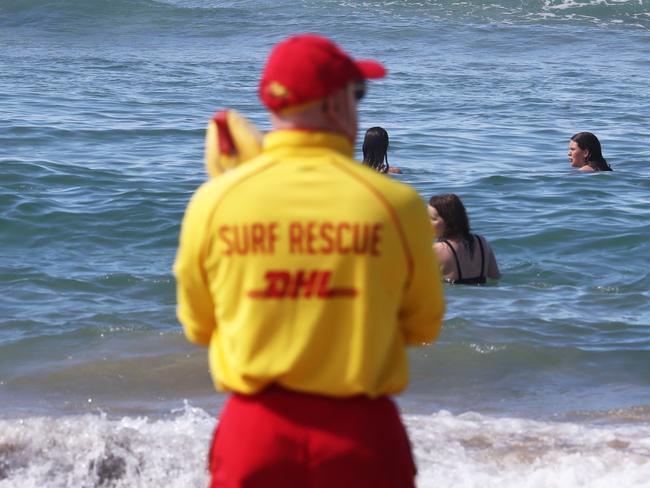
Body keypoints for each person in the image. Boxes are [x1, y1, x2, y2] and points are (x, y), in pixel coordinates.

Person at [174, 34, 445, 487]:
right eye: (358, 94)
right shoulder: (397, 205)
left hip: (255, 431)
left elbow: (199, 326)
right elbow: (424, 326)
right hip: (360, 435)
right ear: (337, 104)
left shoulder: (214, 201)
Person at [428, 194, 500, 285]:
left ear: (449, 221)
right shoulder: (482, 243)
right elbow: (495, 278)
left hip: (454, 297)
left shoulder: (437, 250)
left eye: (433, 219)